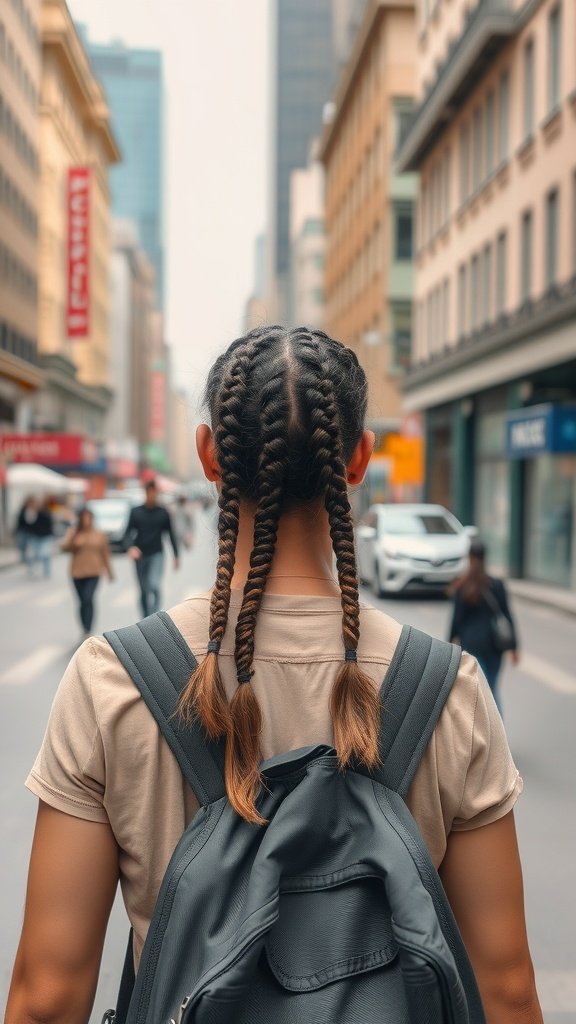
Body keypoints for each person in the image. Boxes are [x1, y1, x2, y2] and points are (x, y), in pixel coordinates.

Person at [6, 327, 542, 1024]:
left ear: (209, 456)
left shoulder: (113, 679)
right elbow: (505, 992)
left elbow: (48, 998)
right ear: (358, 459)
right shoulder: (447, 689)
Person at [449, 539, 519, 715]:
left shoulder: (462, 586)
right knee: (493, 688)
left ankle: (487, 736)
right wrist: (515, 648)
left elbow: (456, 621)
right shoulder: (496, 584)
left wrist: (449, 647)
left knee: (482, 693)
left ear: (469, 557)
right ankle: (498, 734)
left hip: (473, 646)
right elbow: (507, 615)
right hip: (496, 646)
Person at [123, 479, 179, 616]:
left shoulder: (163, 512)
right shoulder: (136, 512)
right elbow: (126, 534)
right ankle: (145, 618)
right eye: (150, 492)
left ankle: (153, 616)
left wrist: (176, 556)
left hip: (157, 554)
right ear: (146, 493)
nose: (153, 495)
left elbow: (171, 534)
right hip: (140, 555)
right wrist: (130, 548)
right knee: (143, 590)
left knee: (154, 585)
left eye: (156, 493)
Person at [61, 507, 114, 638]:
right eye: (84, 518)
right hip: (77, 573)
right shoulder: (74, 532)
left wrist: (109, 572)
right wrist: (75, 543)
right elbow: (64, 547)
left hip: (94, 572)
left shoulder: (99, 534)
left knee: (88, 598)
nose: (86, 520)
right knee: (82, 602)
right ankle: (84, 628)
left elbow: (105, 554)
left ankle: (89, 628)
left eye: (89, 518)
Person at [26, 497, 54, 579]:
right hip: (36, 536)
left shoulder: (46, 512)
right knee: (34, 554)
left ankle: (46, 571)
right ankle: (33, 570)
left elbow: (50, 524)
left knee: (45, 554)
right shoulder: (32, 513)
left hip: (45, 536)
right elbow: (29, 523)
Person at [14, 496, 37, 565]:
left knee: (31, 546)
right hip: (23, 530)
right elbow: (19, 520)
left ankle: (30, 559)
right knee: (22, 545)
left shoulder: (35, 510)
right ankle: (23, 558)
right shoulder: (23, 510)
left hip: (31, 531)